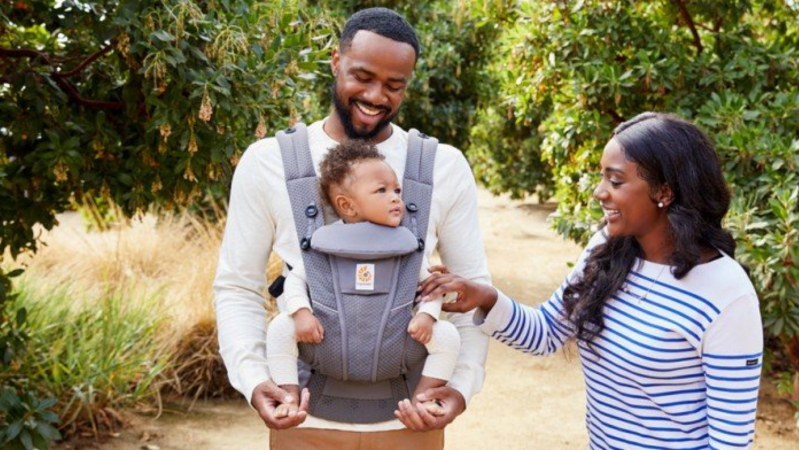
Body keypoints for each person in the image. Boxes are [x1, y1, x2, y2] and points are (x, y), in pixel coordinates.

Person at [213, 7, 490, 448]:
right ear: (335, 61)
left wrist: (459, 387)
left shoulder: (444, 165)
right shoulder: (266, 161)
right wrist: (253, 380)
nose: (377, 95)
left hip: (410, 425)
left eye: (395, 85)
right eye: (363, 76)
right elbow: (237, 286)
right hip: (303, 424)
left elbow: (470, 293)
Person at [418, 112, 764, 449]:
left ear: (664, 192)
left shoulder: (727, 295)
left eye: (615, 181)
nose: (600, 192)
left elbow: (730, 443)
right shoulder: (608, 250)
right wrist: (483, 297)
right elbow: (546, 334)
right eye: (601, 178)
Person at [265, 139, 460, 418]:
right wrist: (301, 314)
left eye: (397, 190)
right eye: (381, 191)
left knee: (447, 335)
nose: (395, 197)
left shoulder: (405, 247)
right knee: (280, 328)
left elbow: (431, 287)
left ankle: (423, 397)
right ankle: (289, 394)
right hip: (325, 345)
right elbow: (296, 281)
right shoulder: (325, 245)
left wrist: (427, 317)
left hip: (398, 347)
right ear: (347, 206)